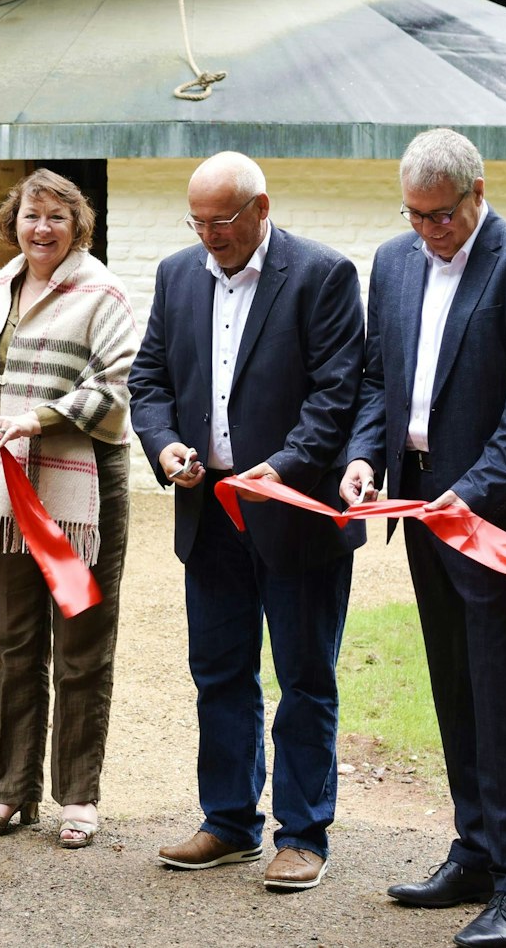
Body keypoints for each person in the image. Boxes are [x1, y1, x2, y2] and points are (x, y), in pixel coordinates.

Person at [342, 128, 506, 947]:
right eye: (415, 215)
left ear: (479, 191)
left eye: (442, 215)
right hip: (420, 508)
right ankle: (474, 849)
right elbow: (380, 379)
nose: (429, 230)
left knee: (500, 690)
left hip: (496, 515)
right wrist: (366, 458)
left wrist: (465, 497)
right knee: (452, 682)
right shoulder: (395, 260)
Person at [129, 151, 364, 893]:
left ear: (261, 208)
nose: (209, 236)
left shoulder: (323, 274)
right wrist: (164, 443)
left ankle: (302, 833)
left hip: (294, 511)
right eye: (196, 221)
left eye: (221, 220)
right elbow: (149, 380)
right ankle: (228, 820)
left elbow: (337, 393)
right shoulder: (176, 274)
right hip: (210, 510)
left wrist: (286, 467)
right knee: (220, 671)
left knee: (302, 674)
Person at [0, 168, 139, 850]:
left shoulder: (101, 290)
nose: (42, 228)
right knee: (14, 640)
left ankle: (78, 796)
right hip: (6, 486)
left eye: (56, 216)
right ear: (13, 222)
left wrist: (39, 418)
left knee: (81, 643)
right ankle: (10, 790)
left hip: (79, 491)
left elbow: (114, 385)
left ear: (77, 223)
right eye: (30, 216)